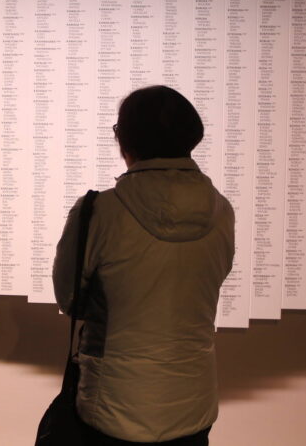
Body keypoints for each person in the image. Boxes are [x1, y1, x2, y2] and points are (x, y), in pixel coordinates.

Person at [53, 85, 235, 445]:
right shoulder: (221, 210)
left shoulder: (98, 212)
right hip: (192, 402)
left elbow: (70, 299)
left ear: (126, 141)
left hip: (112, 404)